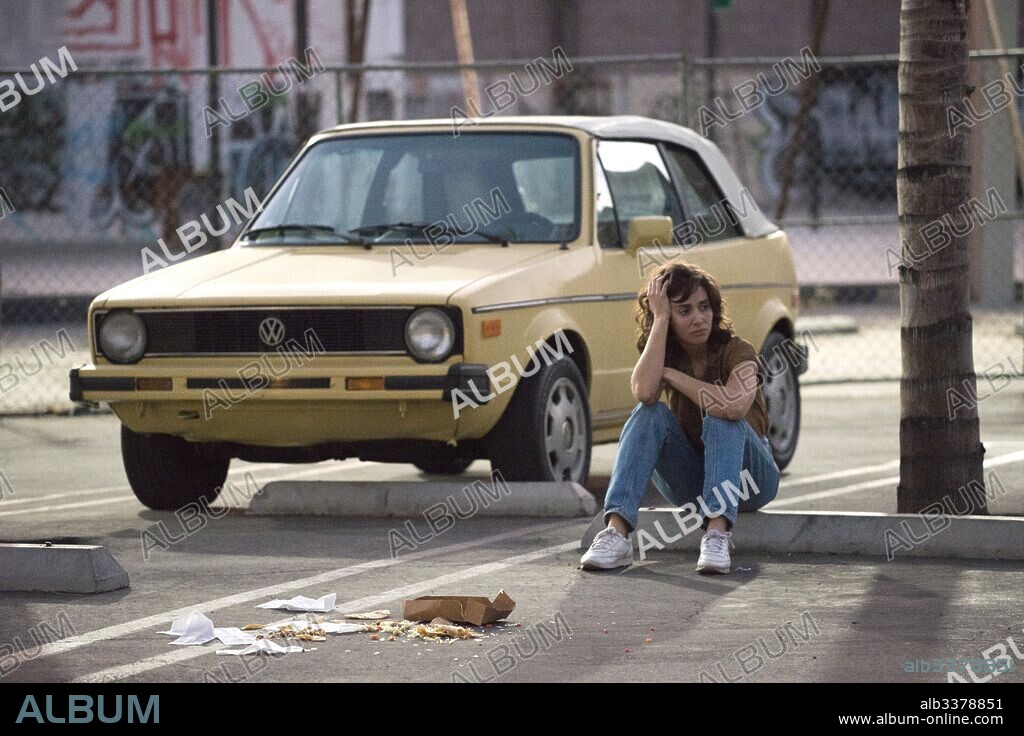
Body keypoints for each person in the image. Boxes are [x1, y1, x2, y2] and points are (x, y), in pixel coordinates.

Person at [580, 261, 780, 574]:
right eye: (684, 311)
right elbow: (644, 392)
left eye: (704, 307)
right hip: (695, 481)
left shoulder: (737, 349)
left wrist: (672, 376)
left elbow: (733, 408)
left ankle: (717, 535)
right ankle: (617, 534)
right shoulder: (665, 349)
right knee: (649, 413)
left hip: (751, 480)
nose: (699, 318)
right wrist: (659, 319)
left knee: (720, 416)